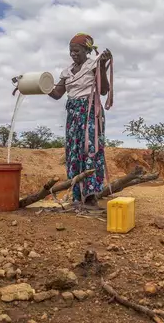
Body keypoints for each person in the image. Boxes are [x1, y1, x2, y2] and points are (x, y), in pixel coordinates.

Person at [49, 33, 113, 205]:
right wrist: (41, 84)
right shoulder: (67, 72)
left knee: (90, 149)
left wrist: (101, 66)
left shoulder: (93, 65)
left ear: (86, 50)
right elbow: (56, 94)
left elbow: (104, 90)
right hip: (73, 113)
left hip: (90, 111)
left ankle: (91, 196)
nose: (73, 54)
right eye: (71, 51)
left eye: (76, 50)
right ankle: (77, 195)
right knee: (74, 152)